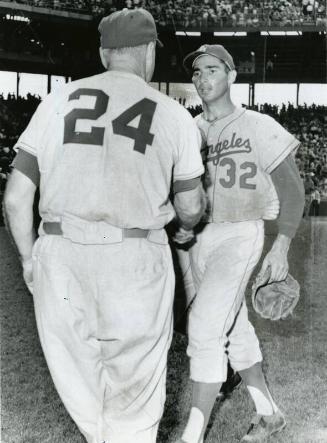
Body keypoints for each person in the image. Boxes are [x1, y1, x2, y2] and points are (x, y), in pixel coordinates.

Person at [3, 9, 207, 443]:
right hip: (134, 259)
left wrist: (27, 260)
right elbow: (190, 206)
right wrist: (187, 225)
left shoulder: (57, 100)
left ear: (103, 52)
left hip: (61, 259)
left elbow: (17, 197)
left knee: (85, 397)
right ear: (149, 52)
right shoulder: (172, 114)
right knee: (133, 402)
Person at [173, 44, 305, 443]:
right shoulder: (188, 130)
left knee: (205, 327)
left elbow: (294, 191)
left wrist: (281, 245)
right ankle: (269, 414)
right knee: (233, 328)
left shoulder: (259, 125)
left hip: (240, 233)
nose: (202, 78)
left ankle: (191, 436)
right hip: (195, 240)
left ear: (231, 75)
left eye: (211, 69)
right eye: (196, 73)